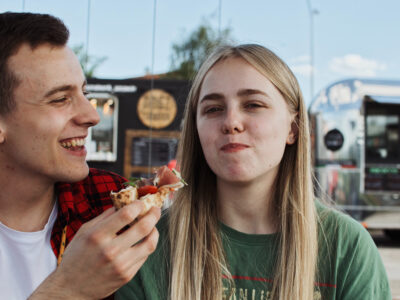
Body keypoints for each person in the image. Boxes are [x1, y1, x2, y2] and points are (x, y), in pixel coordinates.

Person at [117, 44, 391, 300]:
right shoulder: (149, 246)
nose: (231, 122)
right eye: (213, 109)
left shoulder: (347, 249)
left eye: (253, 105)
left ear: (293, 129)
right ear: (196, 129)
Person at [0, 12, 160, 300]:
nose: (91, 116)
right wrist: (67, 290)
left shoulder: (111, 203)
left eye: (84, 93)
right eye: (60, 99)